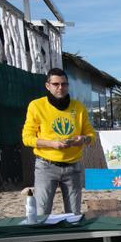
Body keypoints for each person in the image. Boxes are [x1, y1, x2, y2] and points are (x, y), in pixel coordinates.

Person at [22, 68, 95, 216]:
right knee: (42, 213)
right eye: (56, 84)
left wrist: (83, 139)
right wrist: (53, 144)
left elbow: (91, 135)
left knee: (74, 214)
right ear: (47, 86)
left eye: (64, 84)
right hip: (46, 166)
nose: (60, 87)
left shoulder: (78, 107)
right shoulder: (36, 106)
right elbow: (27, 138)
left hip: (73, 167)